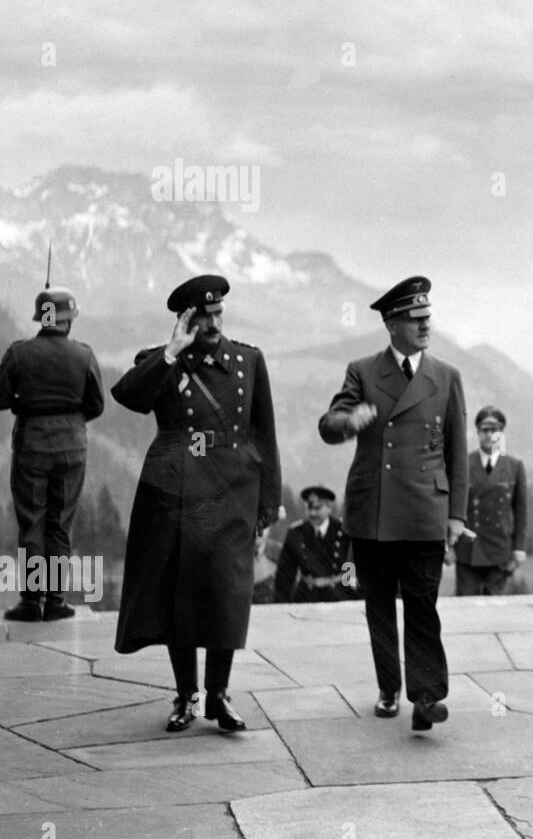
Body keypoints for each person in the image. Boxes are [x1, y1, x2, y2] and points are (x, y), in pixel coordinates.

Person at [112, 274, 281, 733]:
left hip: (233, 496)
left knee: (227, 594)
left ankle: (218, 695)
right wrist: (170, 352)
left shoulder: (248, 361)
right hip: (174, 495)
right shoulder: (161, 362)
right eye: (202, 315)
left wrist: (269, 505)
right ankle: (185, 695)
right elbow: (126, 396)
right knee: (178, 596)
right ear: (186, 318)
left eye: (217, 312)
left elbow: (264, 435)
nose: (212, 321)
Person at [319, 276, 467, 730]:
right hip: (374, 510)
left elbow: (457, 450)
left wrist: (456, 515)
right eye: (416, 319)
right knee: (379, 604)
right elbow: (328, 425)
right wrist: (349, 420)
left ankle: (426, 697)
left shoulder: (446, 376)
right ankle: (389, 687)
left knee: (422, 603)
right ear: (392, 324)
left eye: (427, 317)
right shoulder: (363, 371)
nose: (426, 326)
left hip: (425, 510)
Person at [0, 281, 104, 622]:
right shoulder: (84, 354)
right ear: (68, 320)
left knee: (32, 521)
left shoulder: (18, 353)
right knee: (60, 523)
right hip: (73, 447)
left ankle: (31, 602)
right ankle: (56, 600)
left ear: (41, 318)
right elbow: (96, 405)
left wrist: (24, 404)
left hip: (32, 444)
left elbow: (1, 398)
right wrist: (71, 419)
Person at [455, 406, 528, 596]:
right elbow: (451, 505)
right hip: (468, 550)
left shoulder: (514, 466)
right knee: (465, 609)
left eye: (494, 430)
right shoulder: (464, 463)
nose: (489, 435)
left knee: (494, 611)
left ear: (501, 434)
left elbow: (520, 512)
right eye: (484, 430)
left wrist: (519, 548)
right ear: (477, 433)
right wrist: (448, 546)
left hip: (499, 550)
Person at [274, 486, 358, 603]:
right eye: (309, 508)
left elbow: (352, 563)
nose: (312, 513)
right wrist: (281, 603)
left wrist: (353, 595)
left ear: (329, 508)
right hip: (306, 597)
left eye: (318, 508)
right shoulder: (296, 532)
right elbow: (285, 573)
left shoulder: (343, 530)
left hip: (339, 596)